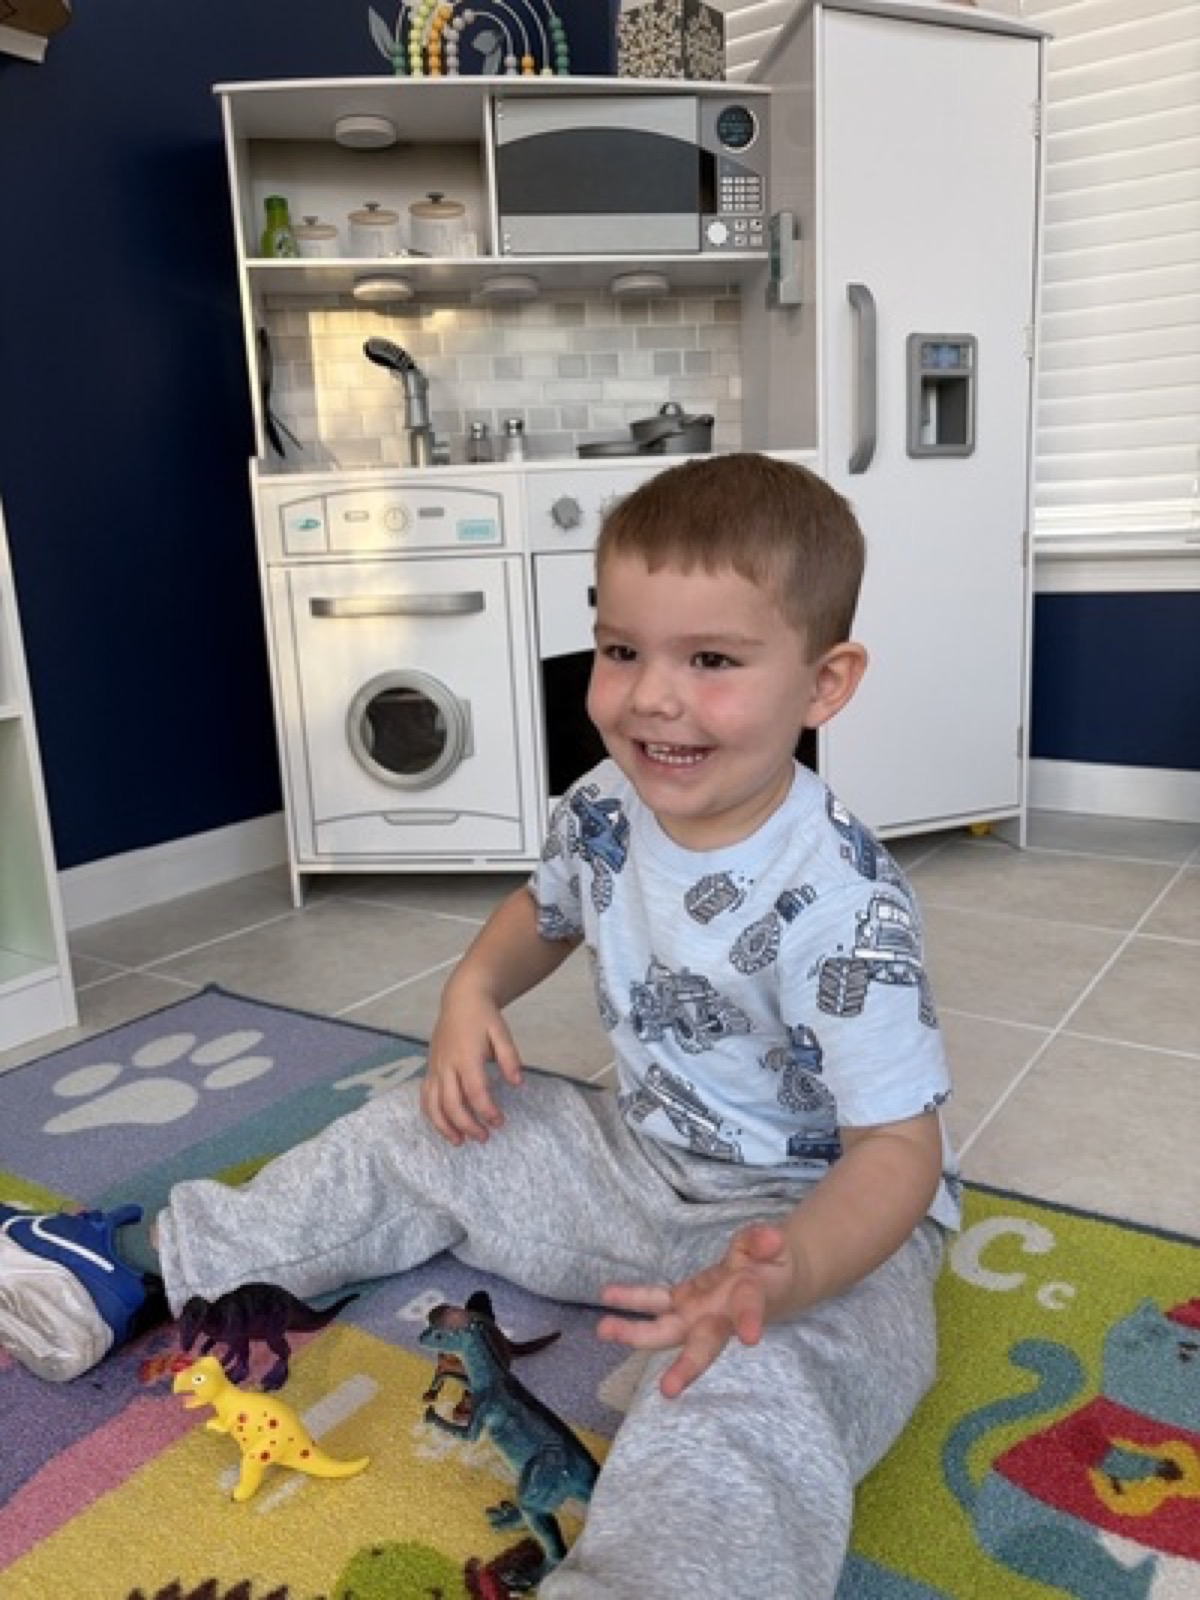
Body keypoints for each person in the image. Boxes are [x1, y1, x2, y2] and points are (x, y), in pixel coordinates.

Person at [0, 454, 958, 1598]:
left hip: (821, 1228)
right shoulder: (606, 803)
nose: (652, 695)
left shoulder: (848, 906)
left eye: (711, 660)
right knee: (424, 1129)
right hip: (637, 1162)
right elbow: (538, 914)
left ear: (824, 681)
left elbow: (899, 1154)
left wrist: (790, 1272)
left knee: (746, 1388)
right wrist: (471, 993)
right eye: (623, 650)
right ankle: (132, 1260)